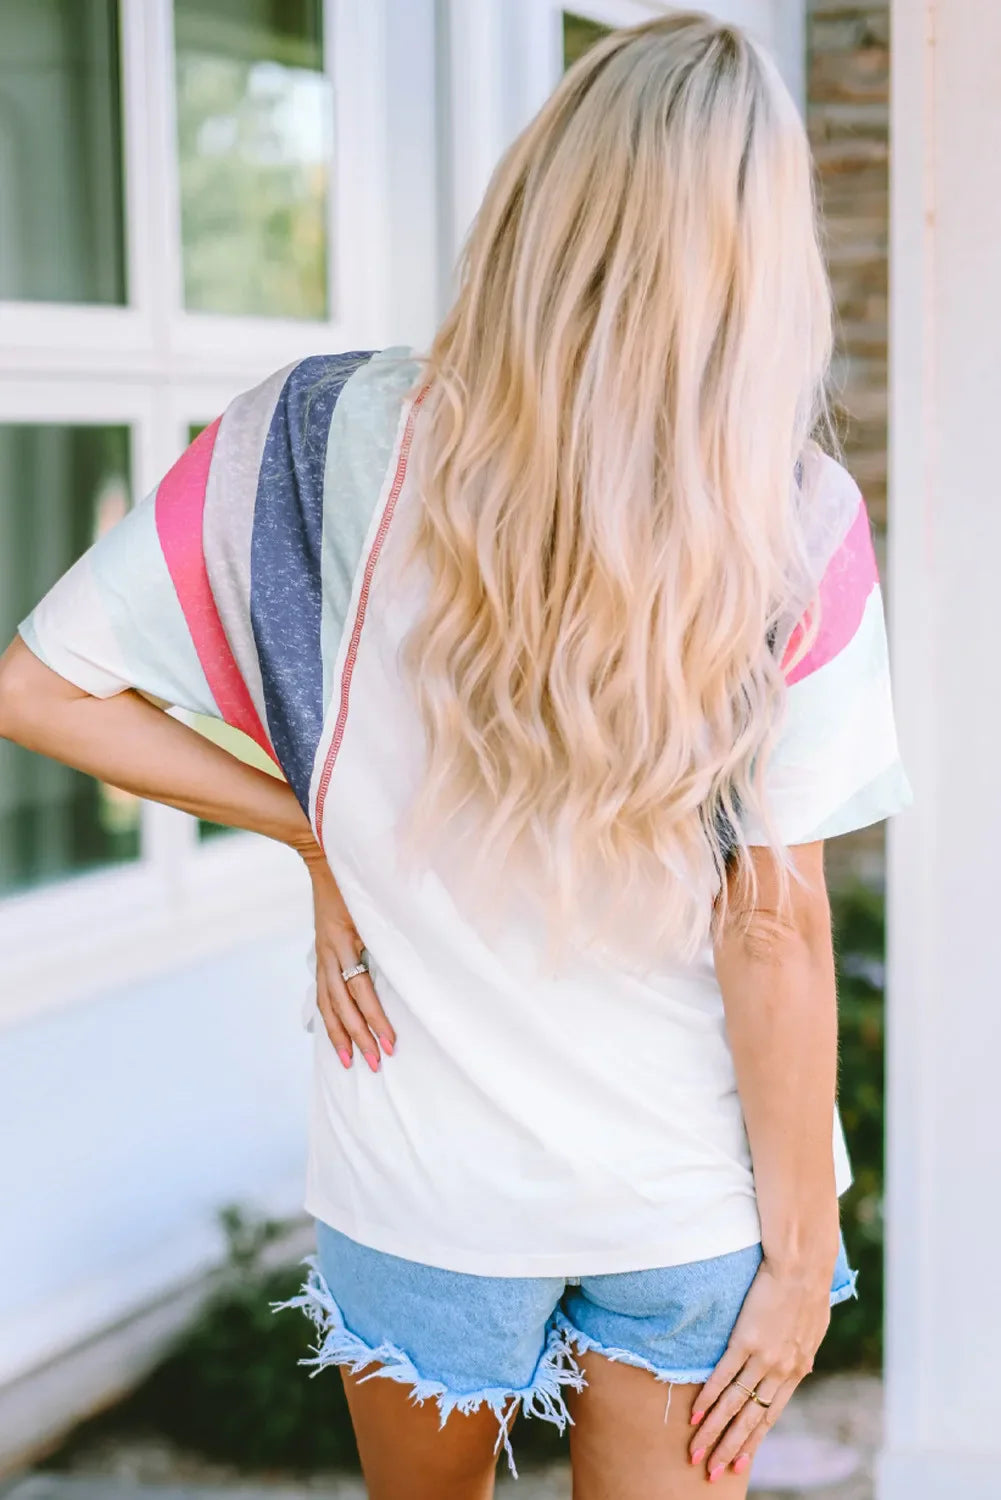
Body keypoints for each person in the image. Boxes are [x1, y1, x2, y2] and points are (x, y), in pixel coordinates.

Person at [0, 11, 911, 1499]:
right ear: (760, 259)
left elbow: (40, 692)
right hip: (676, 1184)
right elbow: (776, 922)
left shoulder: (307, 439)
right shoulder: (792, 514)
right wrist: (802, 1259)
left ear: (537, 198)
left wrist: (317, 833)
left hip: (419, 1175)